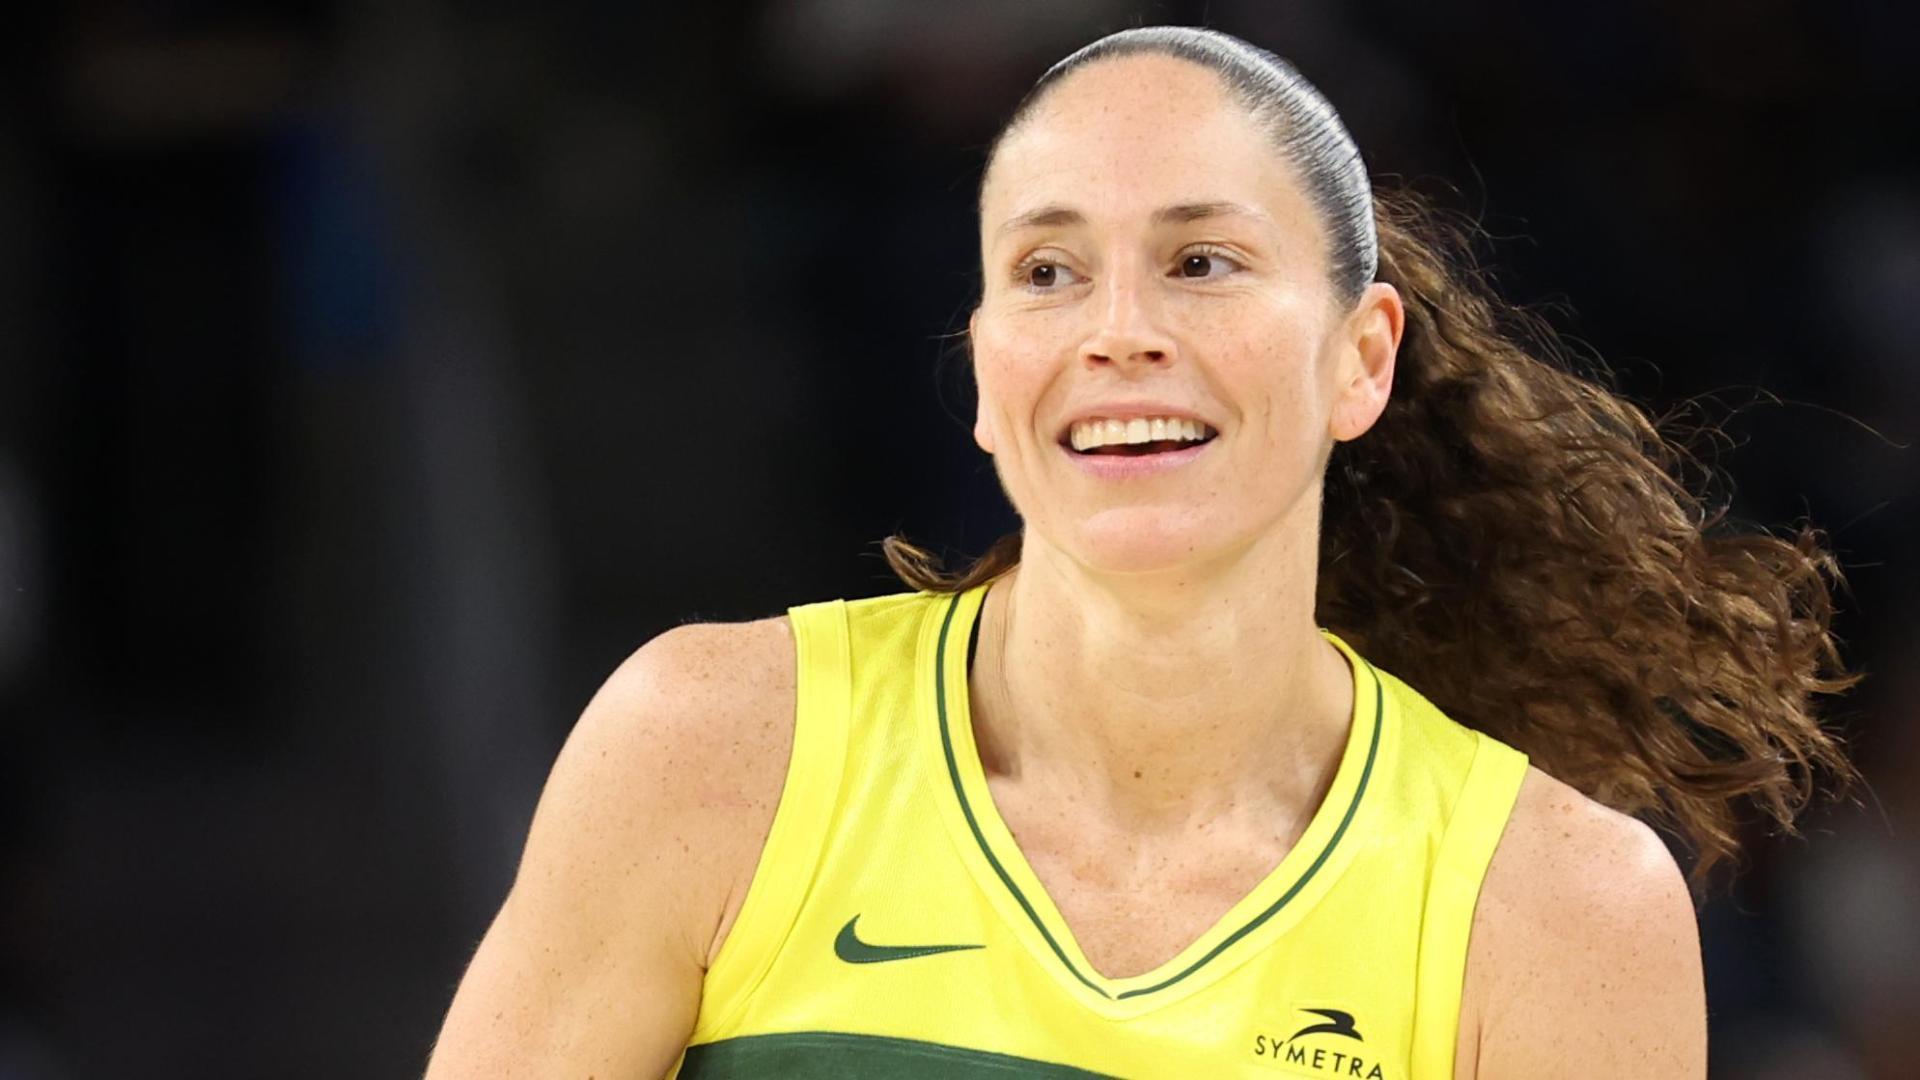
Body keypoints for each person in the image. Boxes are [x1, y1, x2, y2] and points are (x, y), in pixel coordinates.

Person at [423, 25, 1860, 1079]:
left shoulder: (1557, 910)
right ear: (985, 371)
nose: (1118, 331)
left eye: (1200, 262)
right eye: (1048, 272)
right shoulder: (715, 747)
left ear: (1361, 358)